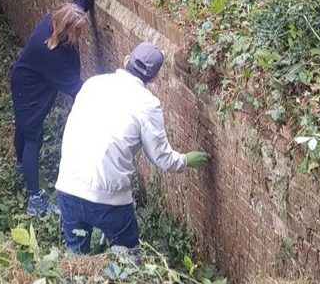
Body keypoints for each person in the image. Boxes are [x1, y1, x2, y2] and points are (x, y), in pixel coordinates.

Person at [55, 42, 210, 254]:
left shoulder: (92, 84)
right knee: (128, 264)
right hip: (109, 200)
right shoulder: (148, 104)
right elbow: (162, 159)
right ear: (155, 78)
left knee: (76, 264)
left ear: (126, 60)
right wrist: (185, 160)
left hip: (68, 186)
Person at [11, 0, 109, 216]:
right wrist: (107, 100)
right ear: (67, 30)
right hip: (29, 89)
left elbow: (78, 3)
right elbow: (77, 89)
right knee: (33, 135)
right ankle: (35, 199)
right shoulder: (50, 54)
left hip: (25, 79)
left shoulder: (58, 18)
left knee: (24, 128)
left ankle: (22, 166)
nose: (81, 34)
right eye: (78, 31)